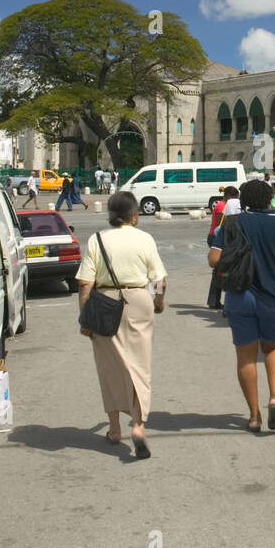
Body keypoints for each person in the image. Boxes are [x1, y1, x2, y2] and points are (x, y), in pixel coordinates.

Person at [77, 192, 166, 460]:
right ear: (134, 216)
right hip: (139, 299)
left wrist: (85, 317)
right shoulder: (144, 239)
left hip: (104, 304)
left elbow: (84, 284)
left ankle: (115, 430)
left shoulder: (97, 239)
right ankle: (138, 425)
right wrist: (159, 301)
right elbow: (159, 279)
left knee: (110, 367)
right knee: (140, 365)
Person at [208, 179, 275, 432]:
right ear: (270, 198)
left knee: (246, 357)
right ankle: (274, 397)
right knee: (274, 347)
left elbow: (214, 259)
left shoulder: (234, 223)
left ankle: (253, 415)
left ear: (244, 201)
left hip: (240, 296)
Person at [206, 186, 240, 310]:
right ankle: (215, 300)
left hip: (217, 238)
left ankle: (214, 300)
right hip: (217, 239)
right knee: (222, 271)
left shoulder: (223, 204)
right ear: (229, 196)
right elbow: (222, 226)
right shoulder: (222, 206)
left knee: (221, 271)